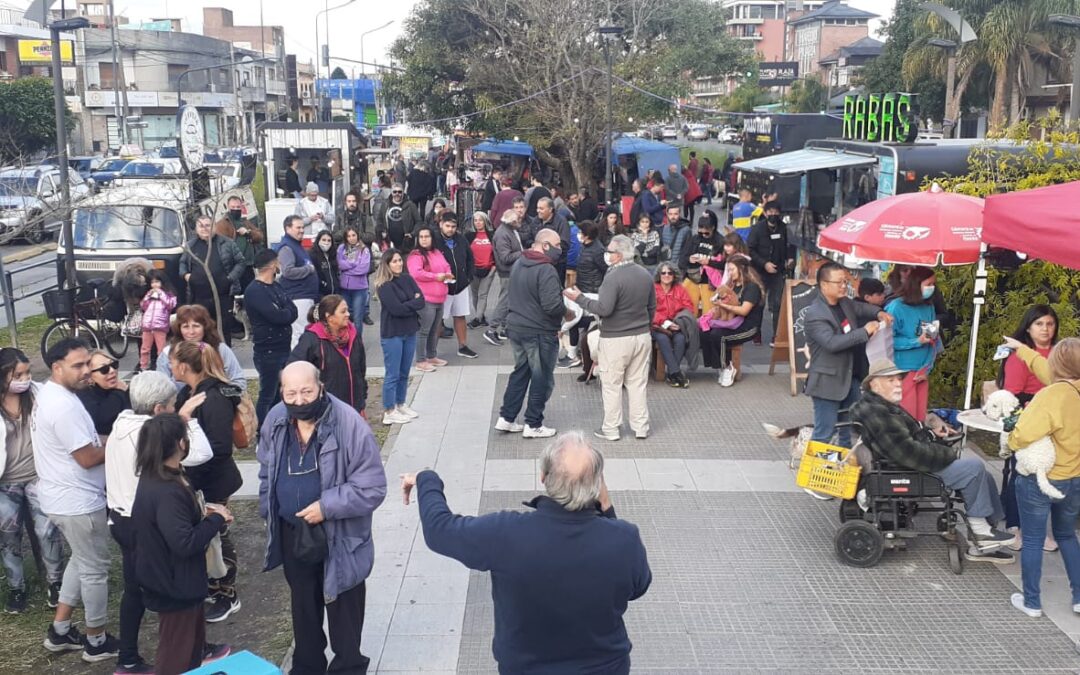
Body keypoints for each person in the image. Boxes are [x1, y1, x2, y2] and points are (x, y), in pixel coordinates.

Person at [400, 431, 651, 674]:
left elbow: (439, 530)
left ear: (543, 477)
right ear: (597, 485)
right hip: (604, 668)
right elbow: (638, 587)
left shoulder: (506, 533)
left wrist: (427, 479)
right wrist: (606, 509)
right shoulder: (624, 538)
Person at [258, 362, 387, 675]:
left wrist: (326, 507)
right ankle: (308, 667)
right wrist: (269, 509)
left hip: (340, 535)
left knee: (344, 609)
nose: (300, 400)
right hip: (293, 532)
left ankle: (349, 667)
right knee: (303, 608)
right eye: (291, 393)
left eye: (306, 391)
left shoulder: (349, 425)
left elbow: (373, 487)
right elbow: (266, 469)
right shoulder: (276, 418)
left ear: (321, 387)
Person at [853, 358, 1017, 563]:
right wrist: (945, 453)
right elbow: (907, 452)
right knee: (974, 468)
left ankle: (986, 532)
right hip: (908, 470)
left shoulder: (880, 406)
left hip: (909, 463)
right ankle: (981, 531)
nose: (898, 383)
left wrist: (931, 434)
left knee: (981, 472)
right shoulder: (877, 411)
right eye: (890, 380)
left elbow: (908, 438)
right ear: (874, 384)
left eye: (898, 379)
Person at [106, 371, 214, 674]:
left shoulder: (121, 425)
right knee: (175, 630)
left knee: (135, 591)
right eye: (171, 404)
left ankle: (128, 654)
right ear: (157, 410)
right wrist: (187, 419)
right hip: (151, 529)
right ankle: (180, 652)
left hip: (123, 517)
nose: (174, 407)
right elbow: (203, 453)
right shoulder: (157, 441)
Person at [35, 339, 118, 662]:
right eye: (78, 366)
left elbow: (87, 440)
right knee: (96, 569)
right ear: (57, 368)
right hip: (78, 501)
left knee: (81, 560)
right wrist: (121, 445)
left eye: (88, 364)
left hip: (60, 497)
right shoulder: (64, 406)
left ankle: (60, 630)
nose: (87, 371)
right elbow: (86, 457)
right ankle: (96, 640)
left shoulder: (51, 394)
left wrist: (113, 435)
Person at [131, 414, 232, 674]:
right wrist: (216, 520)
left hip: (178, 581)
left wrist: (205, 514)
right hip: (175, 585)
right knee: (176, 656)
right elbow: (184, 542)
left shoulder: (162, 476)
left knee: (191, 652)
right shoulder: (167, 489)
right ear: (181, 443)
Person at [171, 341, 244, 623]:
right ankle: (213, 586)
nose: (170, 366)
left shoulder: (211, 398)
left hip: (214, 482)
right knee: (207, 539)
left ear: (185, 366)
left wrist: (185, 457)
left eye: (173, 361)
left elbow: (220, 447)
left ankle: (228, 593)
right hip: (197, 482)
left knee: (219, 536)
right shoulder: (187, 393)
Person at [1006, 338, 1080, 615]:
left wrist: (1011, 439)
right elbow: (1048, 371)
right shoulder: (1073, 389)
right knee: (1067, 535)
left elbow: (1023, 434)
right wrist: (1022, 349)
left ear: (1058, 363)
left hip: (1041, 479)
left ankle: (1032, 602)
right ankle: (1079, 597)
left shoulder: (1050, 395)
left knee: (1034, 539)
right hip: (1074, 478)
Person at [566, 235, 656, 441]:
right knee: (637, 383)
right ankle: (641, 427)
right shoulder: (644, 274)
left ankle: (612, 428)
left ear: (617, 255)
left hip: (615, 338)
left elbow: (604, 309)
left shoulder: (613, 277)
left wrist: (579, 299)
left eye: (608, 251)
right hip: (641, 336)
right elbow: (651, 307)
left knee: (612, 384)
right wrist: (644, 325)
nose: (605, 254)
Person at [0, 348, 63, 615]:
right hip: (6, 482)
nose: (25, 379)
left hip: (39, 475)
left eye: (27, 373)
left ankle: (56, 584)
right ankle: (17, 587)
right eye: (18, 374)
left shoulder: (39, 394)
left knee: (47, 530)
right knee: (8, 537)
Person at [804, 262, 891, 449]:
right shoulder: (815, 314)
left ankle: (842, 472)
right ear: (824, 285)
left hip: (850, 378)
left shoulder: (844, 302)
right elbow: (832, 343)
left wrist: (879, 312)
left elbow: (862, 309)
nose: (844, 286)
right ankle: (813, 476)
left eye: (845, 281)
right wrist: (864, 332)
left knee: (848, 430)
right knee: (824, 433)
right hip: (827, 383)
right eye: (839, 282)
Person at [998, 305, 1061, 553]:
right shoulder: (1020, 355)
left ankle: (1038, 528)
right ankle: (1017, 526)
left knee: (1050, 474)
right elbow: (1012, 393)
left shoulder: (1060, 353)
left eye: (1049, 323)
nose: (1045, 329)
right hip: (1028, 419)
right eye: (1039, 324)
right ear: (1028, 327)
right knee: (1023, 473)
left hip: (1058, 421)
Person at [495, 229, 568, 439]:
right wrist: (568, 311)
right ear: (545, 245)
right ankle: (533, 423)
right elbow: (552, 305)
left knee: (521, 372)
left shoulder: (520, 262)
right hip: (539, 331)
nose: (559, 250)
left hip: (517, 327)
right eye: (557, 246)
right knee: (541, 377)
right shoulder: (546, 269)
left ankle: (507, 418)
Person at [245, 250, 299, 427]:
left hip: (283, 347)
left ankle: (279, 426)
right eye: (277, 262)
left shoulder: (276, 286)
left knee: (281, 393)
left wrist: (285, 312)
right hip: (267, 351)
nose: (280, 265)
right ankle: (263, 432)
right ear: (271, 265)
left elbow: (292, 310)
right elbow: (277, 316)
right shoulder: (254, 291)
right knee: (268, 394)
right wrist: (284, 313)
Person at [289, 295, 367, 414]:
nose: (348, 314)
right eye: (343, 311)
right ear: (329, 316)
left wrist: (361, 402)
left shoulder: (354, 336)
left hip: (354, 409)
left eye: (347, 310)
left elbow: (361, 370)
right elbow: (294, 369)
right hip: (327, 411)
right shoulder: (312, 339)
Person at [374, 250, 425, 426]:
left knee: (404, 372)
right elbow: (396, 309)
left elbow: (421, 300)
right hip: (393, 333)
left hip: (409, 330)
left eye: (399, 260)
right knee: (393, 374)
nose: (398, 264)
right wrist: (412, 302)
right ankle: (389, 410)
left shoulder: (408, 279)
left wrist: (408, 304)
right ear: (387, 264)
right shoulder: (384, 286)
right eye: (394, 261)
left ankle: (400, 403)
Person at [180, 215, 245, 345]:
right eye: (201, 226)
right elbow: (182, 264)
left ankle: (223, 359)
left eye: (208, 225)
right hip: (198, 297)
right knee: (200, 329)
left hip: (222, 296)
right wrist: (187, 276)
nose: (204, 228)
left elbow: (241, 262)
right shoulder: (190, 246)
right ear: (196, 229)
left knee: (223, 329)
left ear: (214, 226)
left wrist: (229, 279)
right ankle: (203, 358)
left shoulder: (227, 243)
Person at [885, 266, 939, 422]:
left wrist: (927, 368)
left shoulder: (928, 306)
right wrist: (916, 341)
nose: (932, 288)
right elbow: (887, 341)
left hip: (922, 370)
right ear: (916, 284)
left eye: (933, 284)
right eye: (928, 284)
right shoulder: (896, 307)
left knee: (919, 417)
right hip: (903, 370)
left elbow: (932, 340)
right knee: (906, 417)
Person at [700, 257, 764, 387]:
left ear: (741, 269)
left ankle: (727, 367)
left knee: (719, 336)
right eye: (728, 270)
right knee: (705, 332)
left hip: (748, 327)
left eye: (732, 269)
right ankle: (718, 366)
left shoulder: (751, 287)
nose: (729, 273)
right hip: (731, 322)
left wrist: (723, 306)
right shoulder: (731, 286)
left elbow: (744, 311)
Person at [157, 304, 246, 391]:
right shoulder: (168, 353)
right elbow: (161, 388)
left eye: (196, 326)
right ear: (179, 329)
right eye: (186, 327)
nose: (191, 332)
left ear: (205, 327)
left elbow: (238, 381)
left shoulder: (220, 349)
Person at [747, 200, 795, 345]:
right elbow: (750, 250)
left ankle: (776, 335)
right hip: (760, 272)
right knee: (758, 303)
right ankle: (756, 333)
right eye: (770, 212)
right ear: (765, 213)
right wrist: (764, 263)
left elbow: (790, 245)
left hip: (778, 272)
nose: (773, 215)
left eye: (775, 212)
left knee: (777, 304)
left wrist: (790, 258)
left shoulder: (784, 228)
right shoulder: (757, 229)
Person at [407, 225, 452, 372]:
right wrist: (435, 276)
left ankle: (432, 355)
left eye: (427, 236)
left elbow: (446, 266)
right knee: (424, 330)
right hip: (426, 298)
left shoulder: (436, 252)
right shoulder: (416, 255)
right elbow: (416, 273)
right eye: (421, 237)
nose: (424, 239)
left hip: (440, 297)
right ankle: (420, 360)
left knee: (434, 329)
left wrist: (448, 274)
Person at [565, 220, 608, 373]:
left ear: (587, 234)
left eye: (580, 232)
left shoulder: (598, 251)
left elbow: (605, 270)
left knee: (577, 322)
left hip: (593, 292)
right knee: (575, 321)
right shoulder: (585, 246)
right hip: (582, 289)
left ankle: (575, 354)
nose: (578, 235)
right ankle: (575, 353)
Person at [434, 211, 478, 358]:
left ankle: (463, 346)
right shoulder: (434, 240)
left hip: (461, 285)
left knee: (460, 316)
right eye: (447, 226)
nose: (450, 229)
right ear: (441, 224)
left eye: (453, 226)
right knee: (437, 319)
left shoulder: (461, 239)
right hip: (442, 287)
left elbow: (470, 258)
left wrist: (469, 276)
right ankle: (431, 351)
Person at [276, 215, 321, 349]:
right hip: (298, 297)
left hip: (305, 296)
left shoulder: (296, 245)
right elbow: (288, 271)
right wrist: (308, 269)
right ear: (287, 228)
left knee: (305, 332)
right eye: (298, 227)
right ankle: (299, 364)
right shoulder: (287, 248)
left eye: (303, 227)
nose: (302, 230)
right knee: (300, 334)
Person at [485, 210, 525, 346]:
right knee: (505, 301)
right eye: (518, 220)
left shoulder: (510, 230)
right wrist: (523, 253)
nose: (520, 222)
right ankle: (491, 330)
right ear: (512, 221)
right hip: (507, 272)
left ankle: (503, 329)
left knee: (508, 300)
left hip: (512, 271)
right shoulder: (503, 234)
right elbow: (505, 257)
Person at [652, 263, 695, 388]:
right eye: (663, 273)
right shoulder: (652, 288)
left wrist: (678, 322)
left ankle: (672, 374)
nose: (666, 275)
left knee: (681, 339)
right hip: (657, 325)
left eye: (669, 273)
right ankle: (676, 373)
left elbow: (689, 308)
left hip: (676, 324)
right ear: (659, 275)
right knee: (662, 339)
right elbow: (648, 310)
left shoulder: (680, 289)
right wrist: (665, 322)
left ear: (674, 275)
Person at [75, 350, 130, 444]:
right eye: (104, 369)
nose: (112, 370)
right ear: (90, 376)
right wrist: (118, 392)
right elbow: (101, 422)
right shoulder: (84, 395)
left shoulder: (123, 388)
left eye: (114, 365)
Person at [215, 194, 265, 290]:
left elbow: (260, 236)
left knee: (250, 291)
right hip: (234, 266)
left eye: (238, 207)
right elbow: (220, 245)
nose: (236, 209)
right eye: (233, 207)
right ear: (227, 207)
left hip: (249, 265)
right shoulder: (222, 224)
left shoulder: (245, 222)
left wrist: (248, 232)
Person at [679, 215, 724, 316]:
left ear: (713, 227)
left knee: (709, 313)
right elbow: (682, 260)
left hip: (709, 283)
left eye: (706, 232)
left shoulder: (720, 241)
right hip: (692, 278)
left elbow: (725, 265)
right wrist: (689, 259)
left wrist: (709, 262)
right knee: (688, 311)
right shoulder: (695, 239)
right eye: (701, 231)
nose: (703, 234)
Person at [138, 269, 177, 373]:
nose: (154, 285)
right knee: (145, 348)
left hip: (160, 325)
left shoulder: (169, 294)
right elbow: (143, 306)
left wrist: (161, 294)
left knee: (161, 349)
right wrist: (147, 296)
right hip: (147, 325)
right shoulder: (149, 294)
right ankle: (143, 367)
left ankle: (162, 368)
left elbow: (170, 305)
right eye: (152, 282)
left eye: (157, 282)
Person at [337, 226, 373, 327]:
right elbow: (339, 264)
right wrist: (353, 264)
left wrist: (346, 270)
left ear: (357, 236)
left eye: (353, 235)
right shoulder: (341, 248)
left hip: (359, 289)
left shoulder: (364, 250)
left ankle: (357, 342)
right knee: (344, 318)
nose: (351, 238)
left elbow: (363, 269)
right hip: (344, 289)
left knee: (357, 318)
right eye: (348, 236)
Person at [467, 211, 496, 329]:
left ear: (485, 221)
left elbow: (497, 251)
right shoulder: (469, 236)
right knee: (475, 294)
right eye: (475, 220)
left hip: (488, 268)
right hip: (474, 269)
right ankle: (481, 316)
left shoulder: (492, 235)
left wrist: (494, 267)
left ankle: (477, 319)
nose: (478, 222)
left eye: (480, 220)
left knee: (482, 294)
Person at [535, 197, 571, 283]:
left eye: (541, 208)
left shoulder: (561, 222)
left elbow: (564, 244)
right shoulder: (536, 221)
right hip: (538, 263)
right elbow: (530, 237)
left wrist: (548, 250)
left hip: (556, 265)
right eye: (537, 208)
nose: (538, 211)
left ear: (550, 209)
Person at [381, 183, 422, 251]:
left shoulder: (410, 205)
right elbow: (379, 220)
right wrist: (381, 231)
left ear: (403, 193)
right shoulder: (385, 204)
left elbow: (419, 222)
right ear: (391, 193)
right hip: (390, 241)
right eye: (395, 192)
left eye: (399, 192)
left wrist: (412, 234)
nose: (397, 194)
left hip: (406, 242)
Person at [309, 230, 340, 298]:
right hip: (320, 294)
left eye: (329, 240)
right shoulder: (312, 255)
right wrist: (323, 284)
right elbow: (313, 274)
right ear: (318, 240)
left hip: (334, 294)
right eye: (324, 240)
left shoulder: (333, 255)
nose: (326, 243)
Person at [661, 204, 691, 271]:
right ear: (667, 214)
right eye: (670, 214)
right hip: (666, 267)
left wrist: (680, 266)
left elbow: (687, 251)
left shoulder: (686, 230)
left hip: (679, 268)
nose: (673, 216)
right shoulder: (664, 228)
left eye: (675, 214)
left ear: (679, 214)